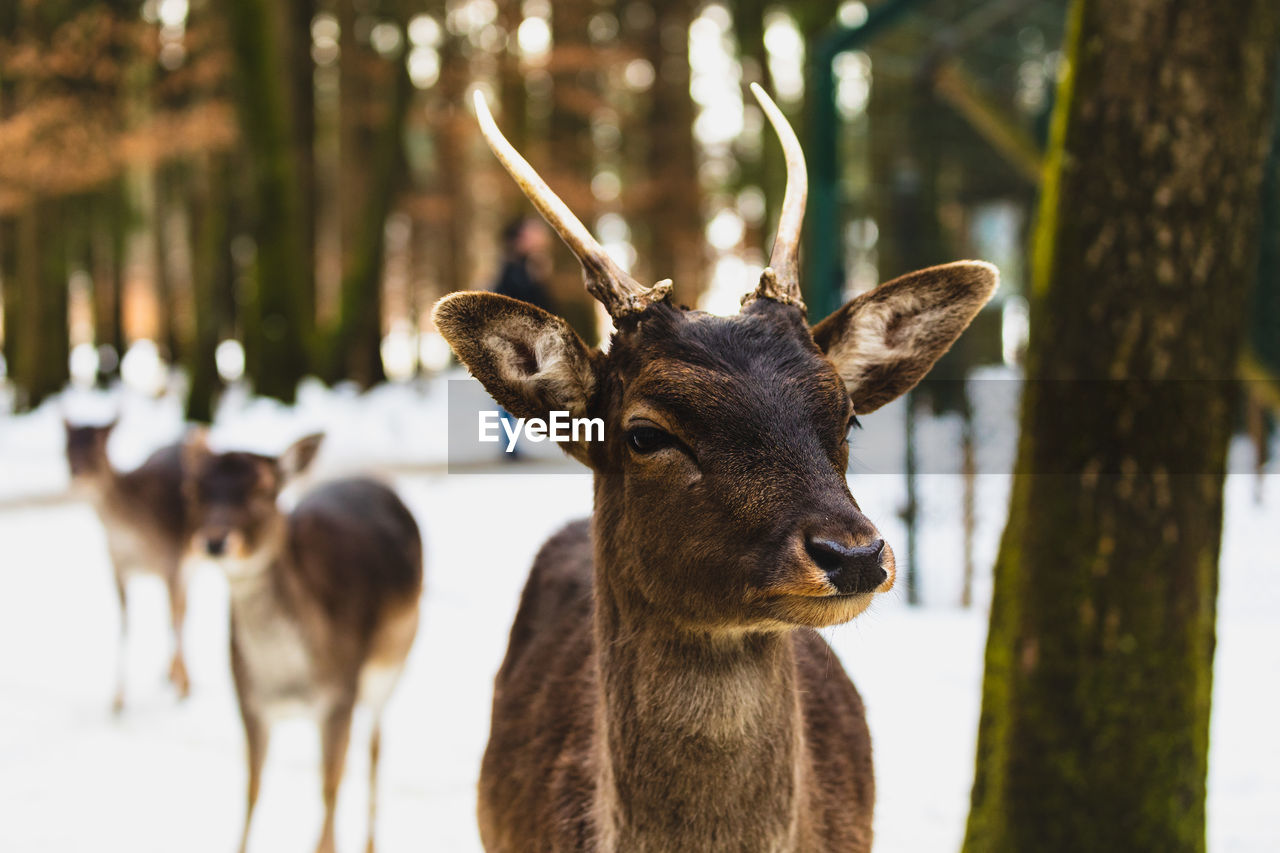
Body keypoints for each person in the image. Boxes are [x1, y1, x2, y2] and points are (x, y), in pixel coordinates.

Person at [491, 218, 556, 459]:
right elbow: (518, 304)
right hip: (512, 343)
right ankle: (509, 445)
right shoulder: (512, 269)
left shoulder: (524, 266)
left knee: (512, 394)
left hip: (521, 342)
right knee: (507, 394)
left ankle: (510, 444)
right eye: (532, 234)